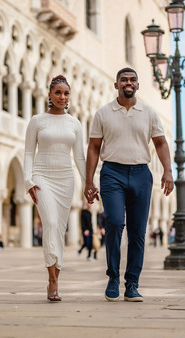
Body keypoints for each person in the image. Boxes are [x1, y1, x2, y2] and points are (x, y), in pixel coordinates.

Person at [84, 67, 174, 302]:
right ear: (116, 85)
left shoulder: (149, 112)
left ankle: (132, 283)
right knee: (114, 222)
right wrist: (88, 180)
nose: (128, 82)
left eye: (133, 80)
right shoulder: (103, 113)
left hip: (141, 173)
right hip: (112, 172)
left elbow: (161, 143)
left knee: (137, 232)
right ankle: (113, 277)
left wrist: (168, 171)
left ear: (137, 85)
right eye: (124, 79)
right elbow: (93, 148)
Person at [24, 75, 86, 302]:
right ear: (49, 94)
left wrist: (88, 183)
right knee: (49, 223)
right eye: (58, 92)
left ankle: (56, 276)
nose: (62, 97)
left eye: (66, 93)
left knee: (59, 229)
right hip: (42, 176)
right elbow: (29, 152)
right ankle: (52, 280)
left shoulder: (75, 123)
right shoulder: (37, 120)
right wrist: (28, 180)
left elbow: (79, 157)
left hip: (65, 179)